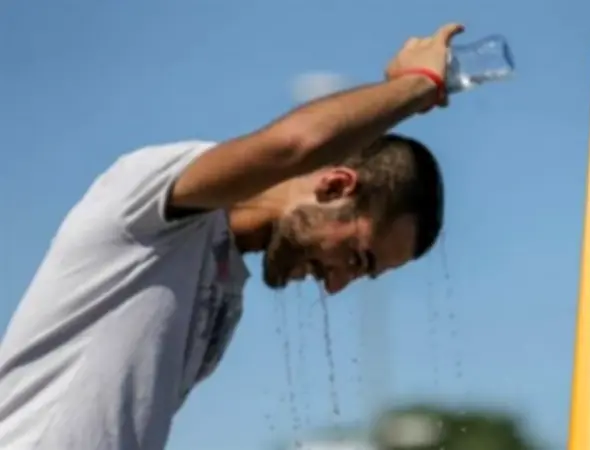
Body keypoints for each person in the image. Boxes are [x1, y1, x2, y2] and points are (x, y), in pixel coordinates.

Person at [0, 23, 464, 450]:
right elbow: (293, 146)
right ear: (335, 187)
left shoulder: (226, 294)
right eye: (357, 258)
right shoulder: (151, 200)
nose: (336, 285)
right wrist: (419, 84)